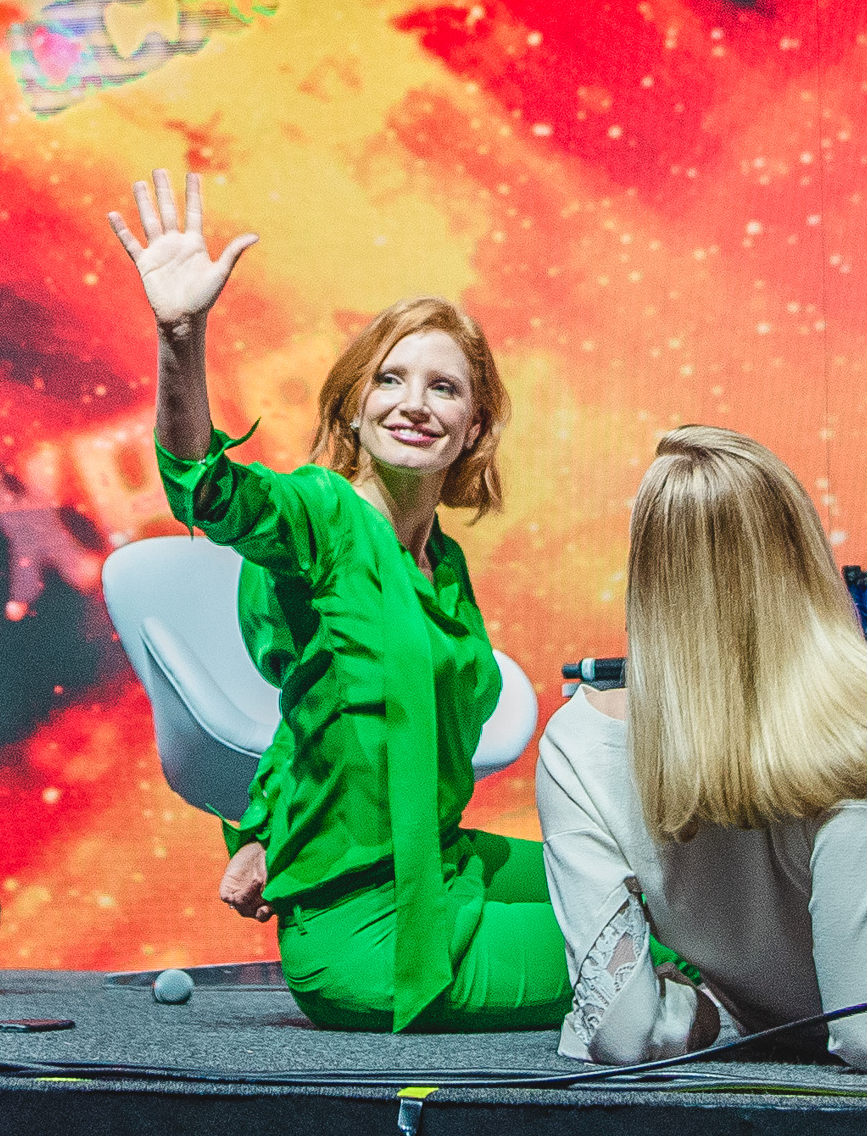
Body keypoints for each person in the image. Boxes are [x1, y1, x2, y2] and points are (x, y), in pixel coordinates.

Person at [110, 165, 564, 1033]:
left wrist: (263, 829)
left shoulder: (445, 564)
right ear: (354, 408)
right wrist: (180, 337)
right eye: (390, 381)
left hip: (435, 861)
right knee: (659, 943)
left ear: (473, 427)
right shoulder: (324, 515)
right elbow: (206, 490)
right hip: (374, 931)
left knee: (650, 889)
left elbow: (318, 704)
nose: (414, 405)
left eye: (444, 388)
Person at [538, 427, 867, 1070]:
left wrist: (701, 1012)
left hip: (771, 1012)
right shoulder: (856, 730)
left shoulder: (577, 744)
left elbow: (622, 1035)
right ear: (803, 558)